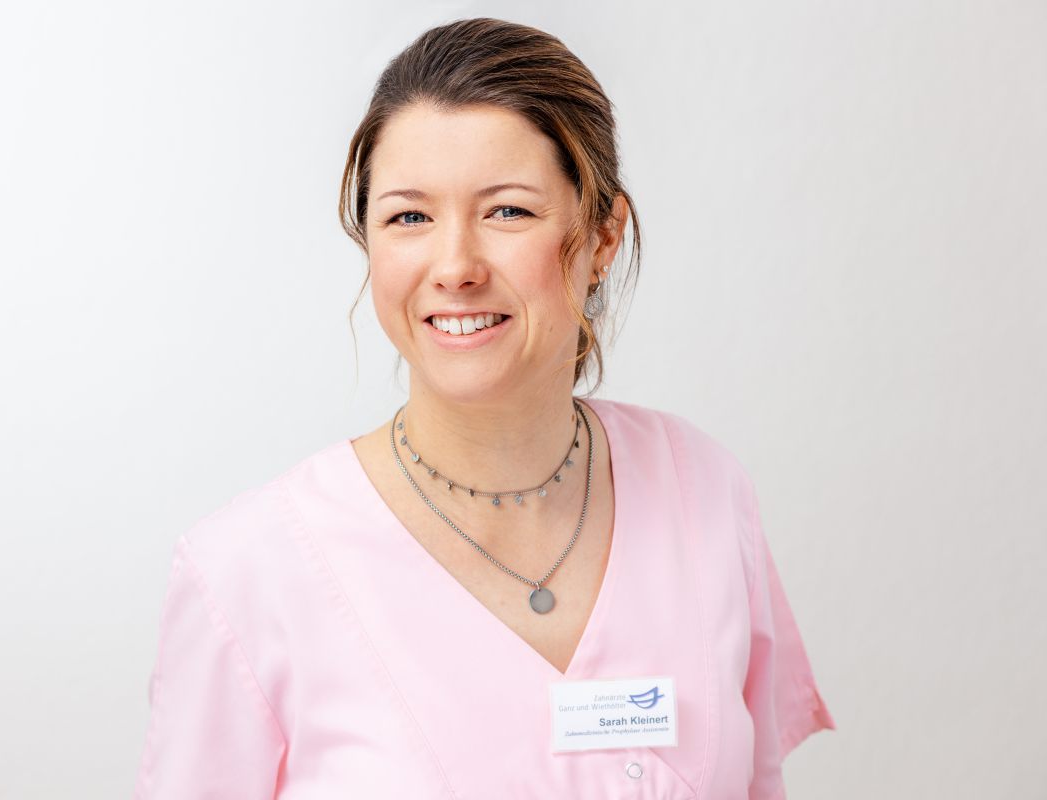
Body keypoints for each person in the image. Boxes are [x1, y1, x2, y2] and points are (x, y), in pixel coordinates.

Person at [132, 17, 834, 799]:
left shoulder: (703, 488)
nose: (455, 266)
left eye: (508, 211)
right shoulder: (247, 572)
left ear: (603, 236)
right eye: (409, 217)